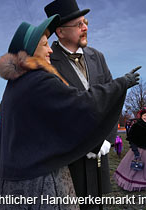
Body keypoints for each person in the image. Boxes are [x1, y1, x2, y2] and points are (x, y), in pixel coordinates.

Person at [0, 14, 138, 209]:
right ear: (30, 51)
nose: (50, 49)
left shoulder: (17, 82)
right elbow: (81, 103)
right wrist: (122, 84)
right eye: (45, 44)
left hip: (17, 177)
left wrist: (106, 139)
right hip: (39, 178)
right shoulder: (38, 80)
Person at [45, 1, 120, 206]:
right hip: (70, 162)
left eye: (85, 22)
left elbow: (113, 99)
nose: (85, 28)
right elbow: (51, 114)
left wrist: (108, 138)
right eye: (79, 24)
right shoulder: (47, 62)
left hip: (99, 157)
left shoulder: (98, 57)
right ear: (60, 32)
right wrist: (81, 144)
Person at [114, 109, 146, 191]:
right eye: (144, 115)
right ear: (141, 116)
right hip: (139, 149)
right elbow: (132, 139)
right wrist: (136, 151)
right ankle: (132, 184)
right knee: (136, 167)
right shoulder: (136, 125)